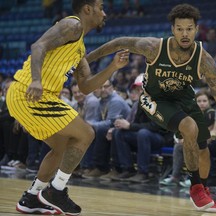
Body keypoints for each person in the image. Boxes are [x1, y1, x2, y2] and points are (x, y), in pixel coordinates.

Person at [86, 3, 216, 212]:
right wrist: (86, 58)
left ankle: (203, 189)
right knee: (189, 126)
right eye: (180, 29)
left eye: (189, 29)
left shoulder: (204, 60)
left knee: (204, 149)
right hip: (154, 99)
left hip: (184, 98)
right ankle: (195, 188)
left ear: (196, 30)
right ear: (172, 30)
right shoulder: (153, 47)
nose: (184, 34)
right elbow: (118, 42)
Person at [6, 0, 129, 215]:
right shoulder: (72, 25)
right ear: (88, 9)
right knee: (86, 133)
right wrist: (36, 80)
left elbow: (86, 86)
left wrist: (113, 67)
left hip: (38, 97)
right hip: (31, 92)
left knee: (62, 146)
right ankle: (56, 191)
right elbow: (38, 46)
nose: (104, 12)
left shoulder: (79, 47)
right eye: (101, 7)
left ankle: (33, 197)